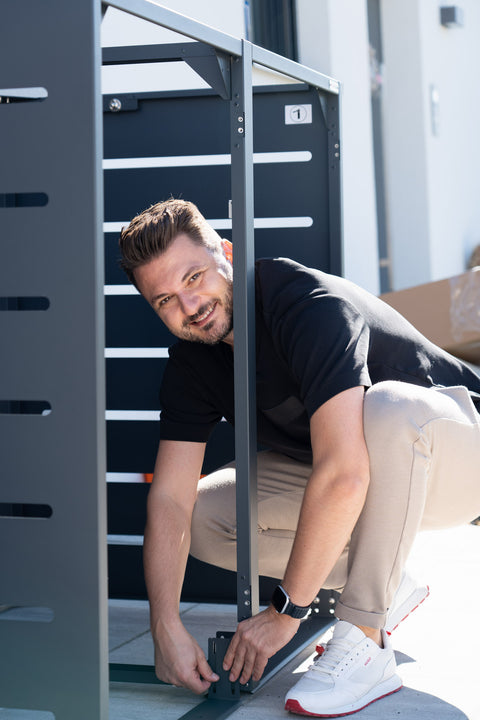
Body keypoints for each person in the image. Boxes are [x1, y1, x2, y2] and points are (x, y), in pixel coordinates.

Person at [118, 198, 480, 717]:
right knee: (203, 514)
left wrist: (285, 612)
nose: (189, 305)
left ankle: (364, 635)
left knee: (386, 406)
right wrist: (165, 625)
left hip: (459, 453)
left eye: (195, 276)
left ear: (227, 252)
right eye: (165, 300)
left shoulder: (305, 303)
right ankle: (380, 580)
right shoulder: (193, 363)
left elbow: (346, 475)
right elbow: (171, 499)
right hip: (378, 476)